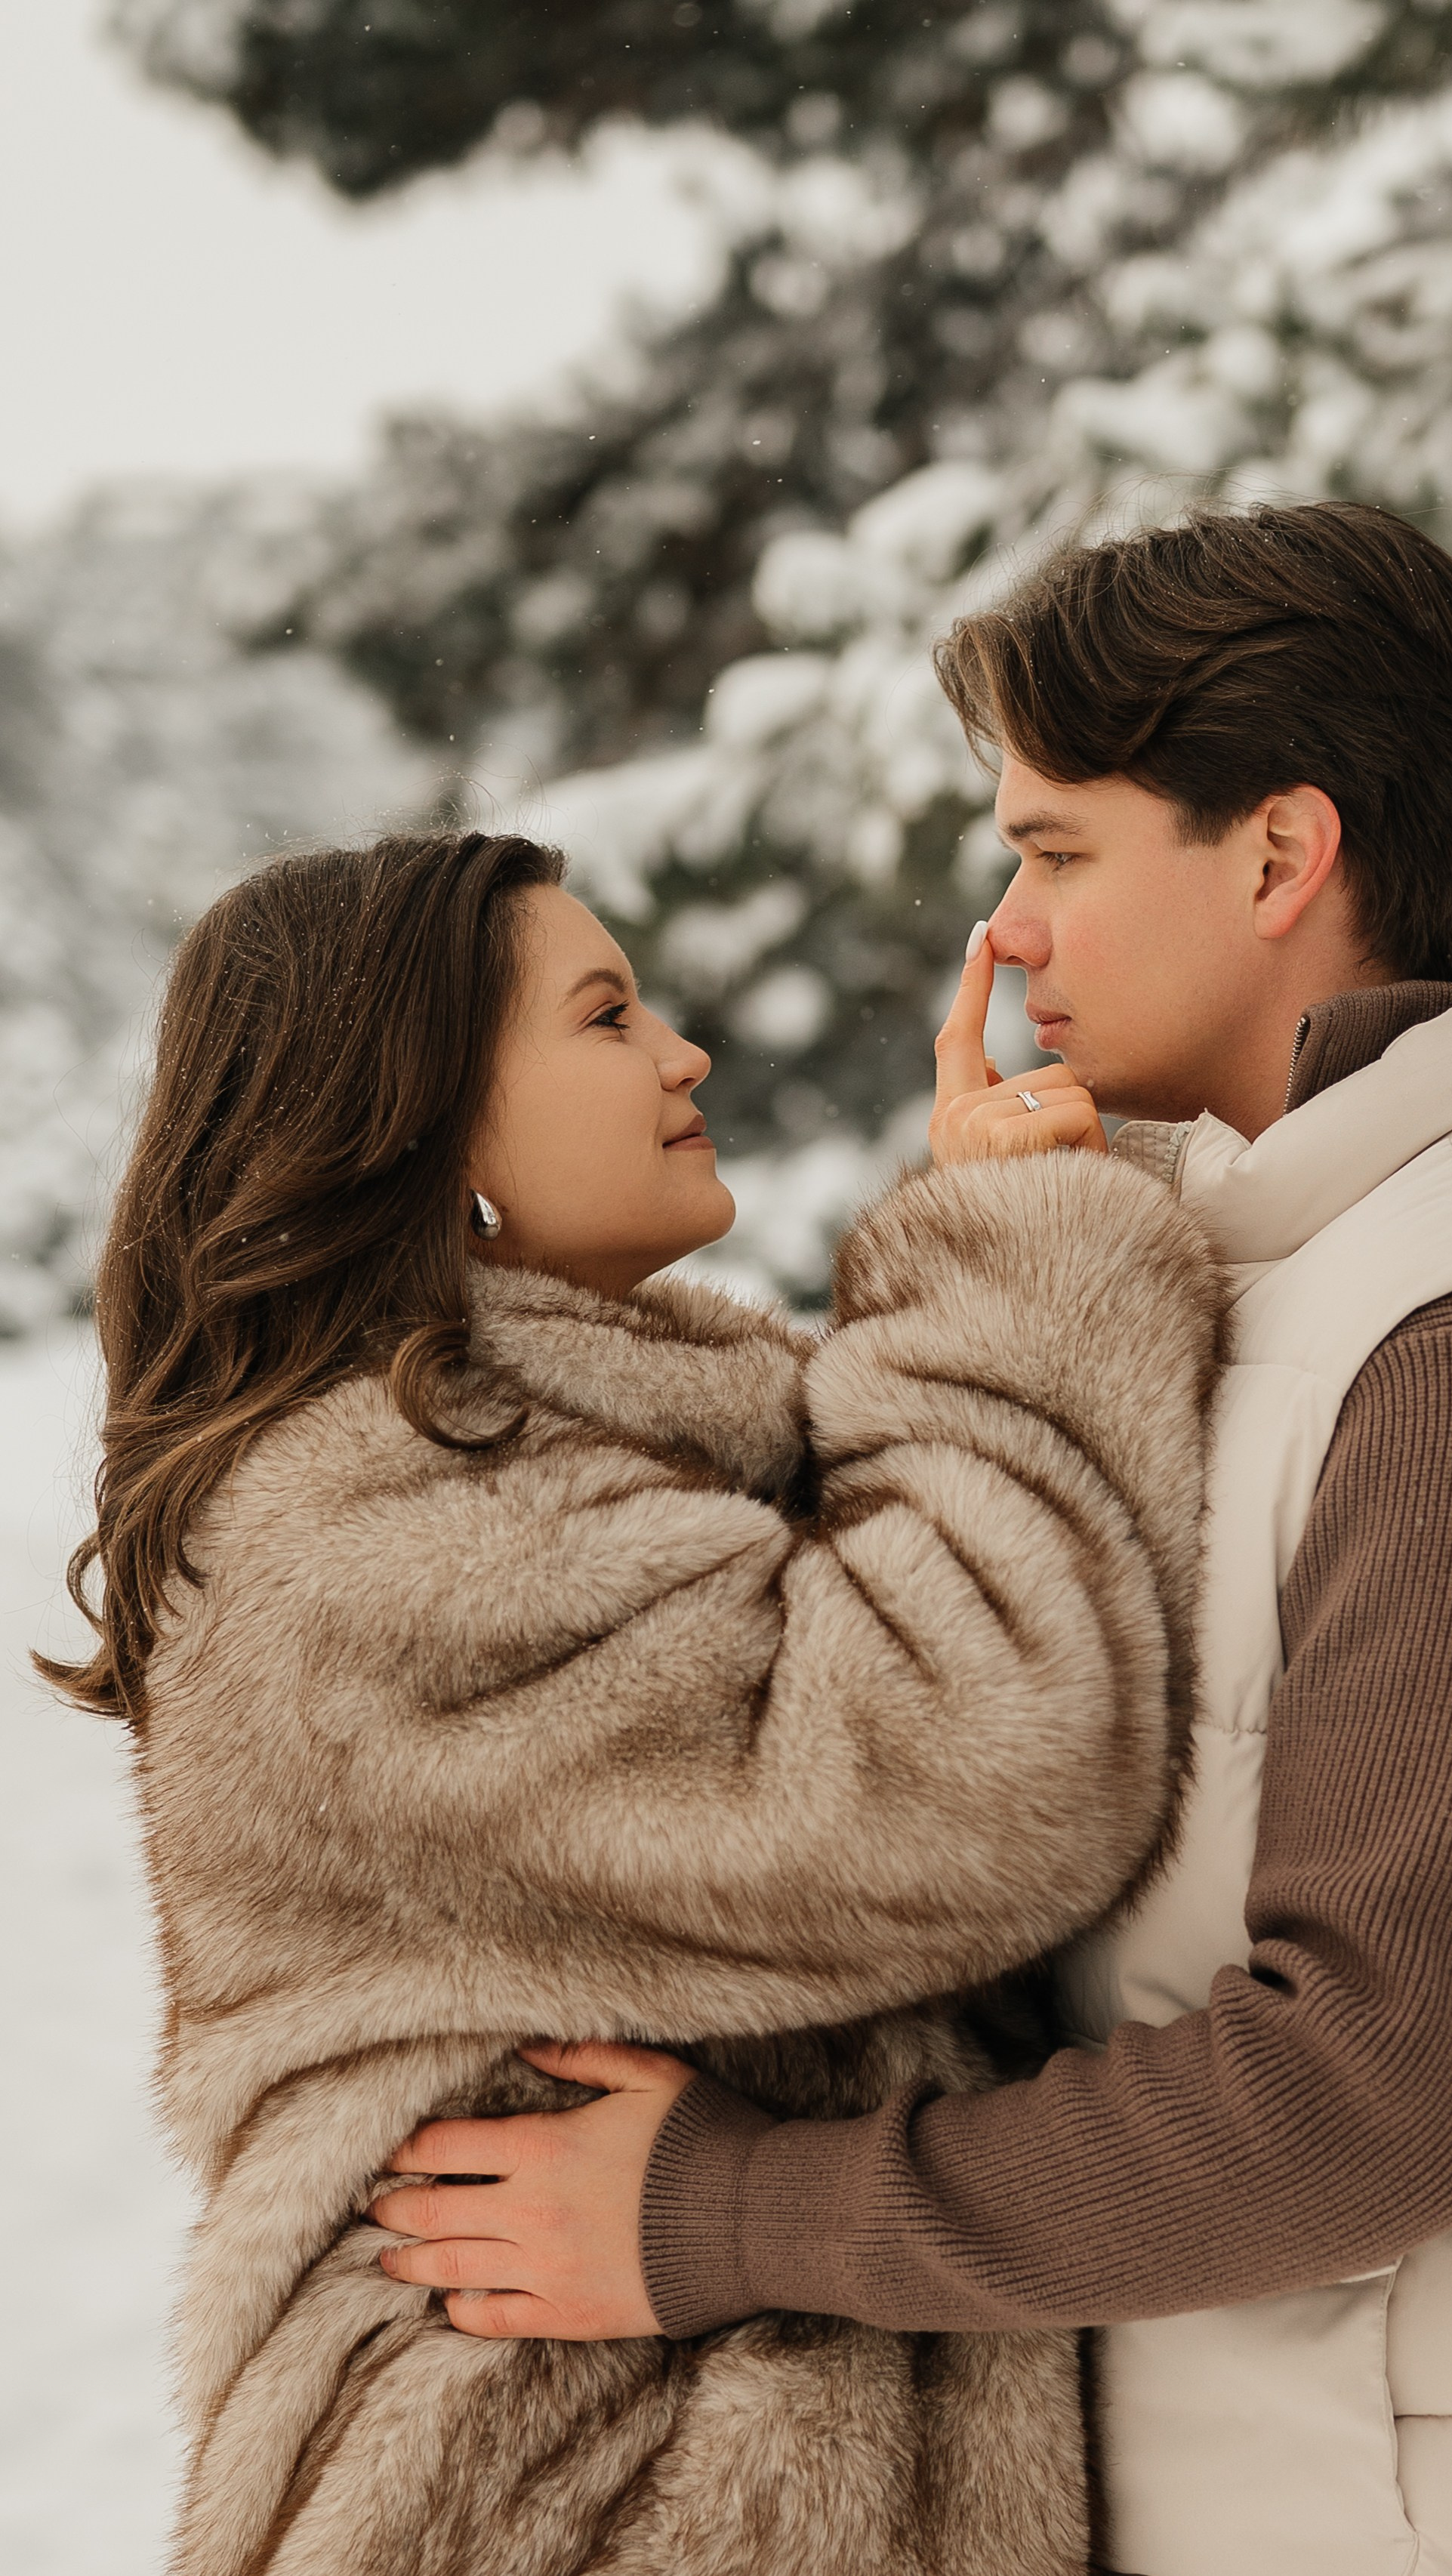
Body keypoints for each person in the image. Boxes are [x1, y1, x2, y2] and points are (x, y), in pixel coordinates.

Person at [412, 504, 1452, 2576]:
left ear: (1277, 856)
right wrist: (1023, 1257)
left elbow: (1371, 2093)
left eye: (1051, 853)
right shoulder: (1280, 1278)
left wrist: (726, 2212)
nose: (1002, 931)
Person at [45, 829, 1219, 2576]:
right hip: (576, 2484)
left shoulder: (560, 1466)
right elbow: (977, 1761)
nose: (684, 1052)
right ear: (434, 1132)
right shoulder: (381, 1540)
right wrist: (1023, 1252)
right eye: (604, 1015)